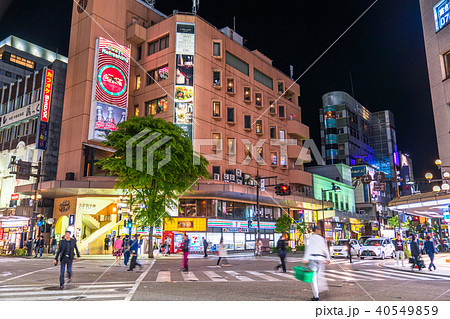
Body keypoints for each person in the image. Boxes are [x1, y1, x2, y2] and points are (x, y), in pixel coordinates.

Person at [304, 226, 331, 301]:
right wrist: (328, 258)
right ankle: (322, 288)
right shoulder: (322, 239)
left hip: (313, 259)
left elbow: (308, 248)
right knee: (320, 276)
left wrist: (305, 259)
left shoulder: (311, 238)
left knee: (314, 279)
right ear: (316, 230)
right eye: (318, 229)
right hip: (321, 259)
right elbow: (325, 249)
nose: (319, 230)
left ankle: (316, 296)